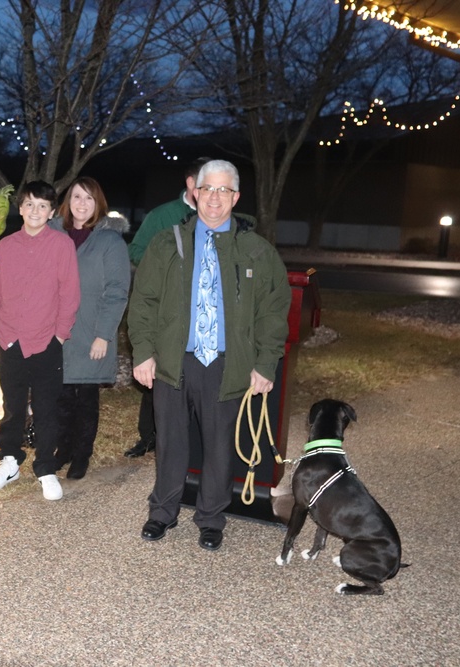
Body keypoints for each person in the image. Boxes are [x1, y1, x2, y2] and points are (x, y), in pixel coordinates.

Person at [128, 159, 290, 551]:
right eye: (208, 189)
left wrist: (266, 361)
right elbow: (143, 302)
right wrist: (143, 352)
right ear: (194, 193)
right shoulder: (168, 243)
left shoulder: (255, 250)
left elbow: (273, 309)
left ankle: (211, 518)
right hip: (172, 361)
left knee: (220, 445)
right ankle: (162, 512)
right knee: (170, 441)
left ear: (235, 197)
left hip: (224, 362)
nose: (214, 198)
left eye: (223, 190)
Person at [0, 180, 80, 500]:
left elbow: (69, 293)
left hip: (46, 342)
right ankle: (9, 460)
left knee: (46, 408)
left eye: (42, 205)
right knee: (12, 407)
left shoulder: (61, 245)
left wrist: (60, 335)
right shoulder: (6, 246)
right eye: (29, 204)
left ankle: (46, 468)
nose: (35, 211)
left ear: (51, 211)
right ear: (20, 208)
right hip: (10, 340)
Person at [124, 157, 209, 459]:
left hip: (204, 313)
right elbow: (135, 250)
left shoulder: (220, 215)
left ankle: (193, 441)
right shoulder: (163, 216)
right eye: (207, 182)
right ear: (190, 183)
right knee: (158, 375)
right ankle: (150, 437)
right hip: (166, 309)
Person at [48, 177, 130, 479]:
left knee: (85, 398)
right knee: (60, 396)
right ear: (67, 201)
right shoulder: (53, 234)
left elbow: (117, 291)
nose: (82, 204)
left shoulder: (109, 241)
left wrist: (104, 335)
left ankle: (82, 454)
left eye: (89, 199)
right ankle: (63, 450)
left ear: (98, 205)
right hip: (55, 331)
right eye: (77, 197)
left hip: (91, 331)